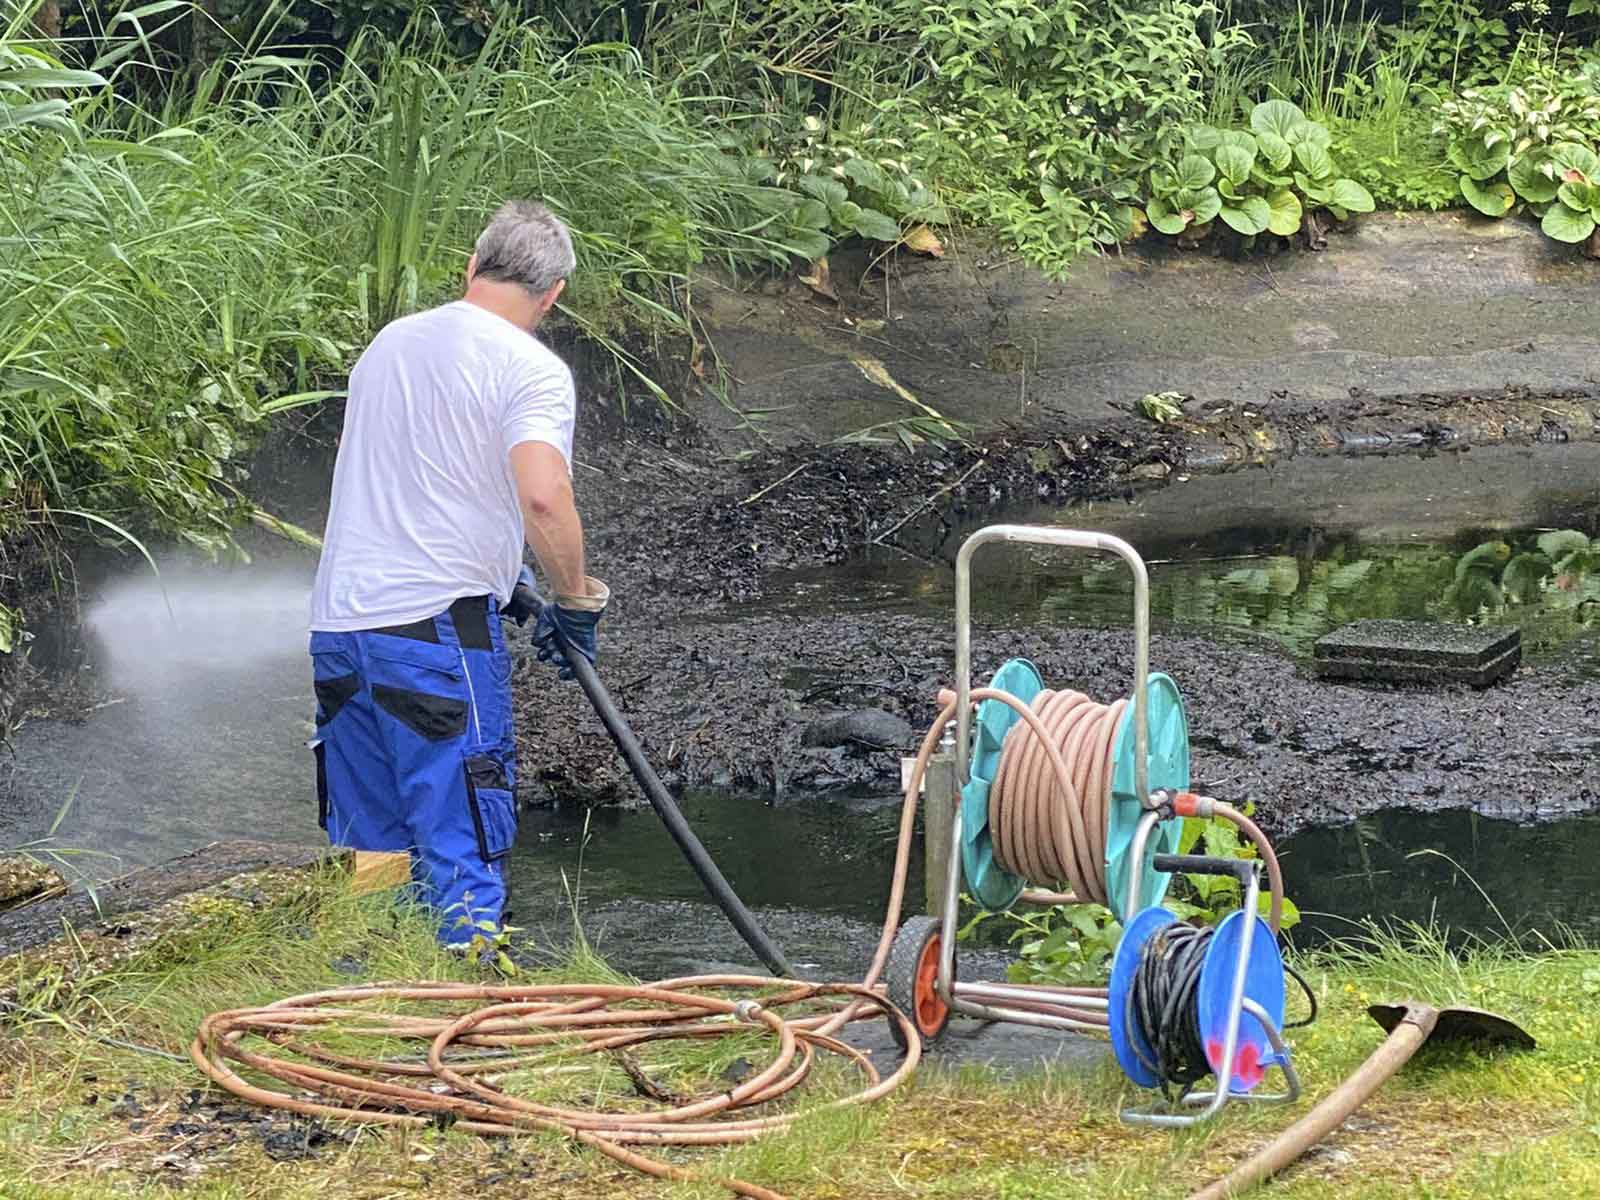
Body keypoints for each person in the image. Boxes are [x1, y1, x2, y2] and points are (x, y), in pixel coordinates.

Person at [306, 200, 608, 945]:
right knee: (462, 828)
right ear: (554, 294)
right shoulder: (529, 367)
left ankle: (371, 998)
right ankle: (469, 1001)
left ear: (472, 267)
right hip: (435, 634)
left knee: (370, 845)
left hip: (341, 628)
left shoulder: (389, 344)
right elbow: (542, 494)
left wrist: (502, 578)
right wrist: (574, 598)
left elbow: (417, 476)